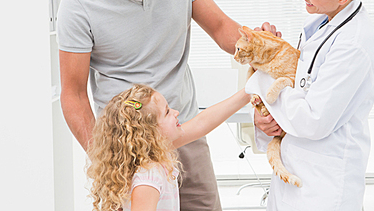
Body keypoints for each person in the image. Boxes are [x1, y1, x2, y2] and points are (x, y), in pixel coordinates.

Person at [57, 0, 280, 211]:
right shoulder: (79, 4)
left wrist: (258, 44)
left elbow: (220, 28)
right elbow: (74, 95)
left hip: (183, 128)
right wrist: (106, 162)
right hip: (130, 146)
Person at [245, 0, 374, 210]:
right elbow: (298, 87)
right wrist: (273, 54)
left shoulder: (354, 44)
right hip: (295, 166)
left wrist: (266, 73)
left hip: (325, 182)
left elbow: (313, 120)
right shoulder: (321, 22)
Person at [87, 84, 251, 211]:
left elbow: (202, 123)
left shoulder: (156, 159)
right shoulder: (148, 177)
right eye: (167, 112)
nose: (176, 112)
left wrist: (249, 91)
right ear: (151, 132)